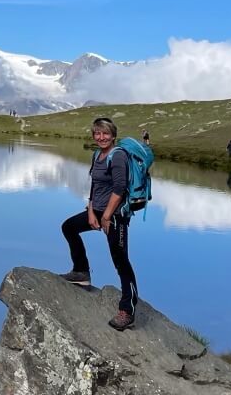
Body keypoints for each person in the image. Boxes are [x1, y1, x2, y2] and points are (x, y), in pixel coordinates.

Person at [60, 117, 138, 331]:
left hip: (116, 215)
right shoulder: (97, 154)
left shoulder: (118, 156)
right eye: (97, 133)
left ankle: (127, 311)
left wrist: (106, 216)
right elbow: (95, 186)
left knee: (120, 259)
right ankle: (81, 272)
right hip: (99, 211)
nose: (101, 137)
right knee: (69, 227)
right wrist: (92, 211)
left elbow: (120, 188)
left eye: (105, 133)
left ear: (113, 135)